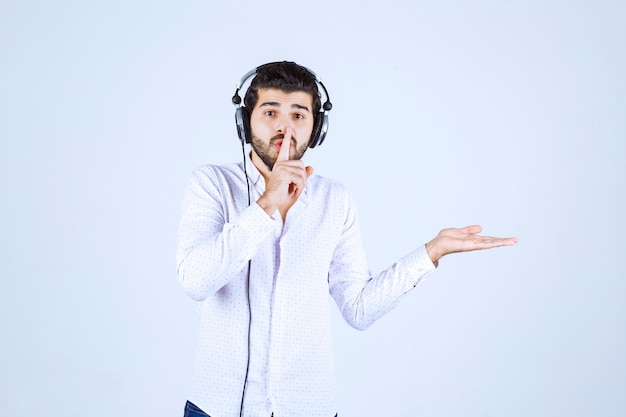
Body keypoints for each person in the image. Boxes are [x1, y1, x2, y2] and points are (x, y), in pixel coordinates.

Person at [176, 61, 517, 417]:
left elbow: (359, 309)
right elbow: (196, 280)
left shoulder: (334, 200)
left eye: (298, 115)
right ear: (245, 122)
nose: (284, 126)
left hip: (309, 408)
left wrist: (433, 252)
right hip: (217, 408)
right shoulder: (211, 185)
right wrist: (267, 202)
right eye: (270, 111)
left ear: (316, 127)